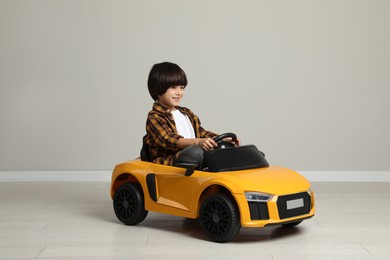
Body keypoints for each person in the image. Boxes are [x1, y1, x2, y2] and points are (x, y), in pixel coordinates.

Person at [142, 62, 238, 167]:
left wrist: (221, 139)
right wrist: (198, 142)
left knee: (224, 149)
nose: (179, 92)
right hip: (172, 160)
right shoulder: (155, 116)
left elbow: (201, 133)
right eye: (173, 87)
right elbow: (170, 140)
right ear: (158, 89)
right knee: (195, 153)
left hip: (194, 155)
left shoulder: (186, 113)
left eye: (181, 87)